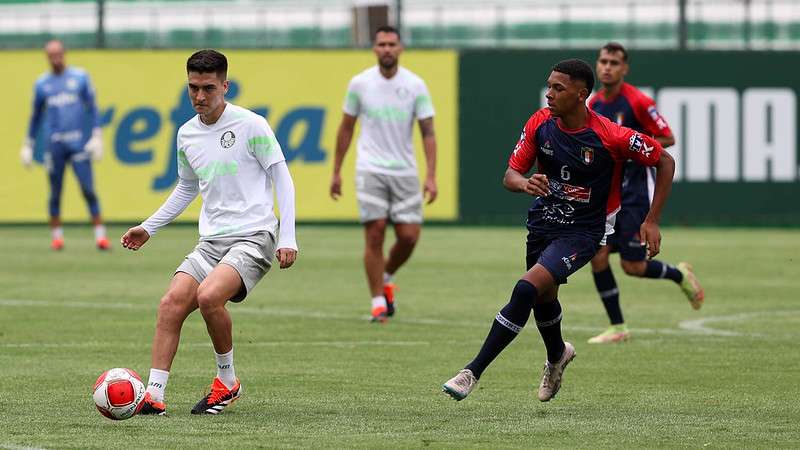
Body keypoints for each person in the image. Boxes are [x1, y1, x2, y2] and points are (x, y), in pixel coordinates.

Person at [442, 59, 675, 402]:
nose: (549, 94)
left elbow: (665, 160)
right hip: (543, 224)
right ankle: (557, 356)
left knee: (526, 289)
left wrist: (652, 219)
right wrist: (524, 183)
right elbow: (510, 175)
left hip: (584, 231)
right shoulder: (539, 123)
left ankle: (471, 372)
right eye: (548, 86)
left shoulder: (611, 135)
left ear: (581, 95)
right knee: (544, 298)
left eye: (557, 88)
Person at [120, 49, 298, 415]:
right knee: (170, 304)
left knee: (208, 296)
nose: (199, 97)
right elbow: (187, 188)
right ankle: (154, 394)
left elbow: (283, 178)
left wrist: (288, 236)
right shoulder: (186, 134)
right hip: (211, 241)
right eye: (193, 88)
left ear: (225, 86)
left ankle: (227, 382)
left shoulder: (252, 125)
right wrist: (148, 227)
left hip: (254, 236)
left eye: (208, 88)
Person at [586, 42, 704, 344]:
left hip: (635, 192)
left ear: (625, 68)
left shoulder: (638, 101)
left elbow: (668, 137)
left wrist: (633, 147)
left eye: (614, 62)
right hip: (608, 192)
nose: (607, 67)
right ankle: (618, 327)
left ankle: (680, 275)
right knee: (597, 255)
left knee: (633, 266)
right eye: (603, 61)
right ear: (597, 66)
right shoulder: (594, 105)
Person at [330, 25, 437, 323]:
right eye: (382, 44)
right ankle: (377, 300)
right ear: (374, 48)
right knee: (375, 231)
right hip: (370, 168)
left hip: (405, 170)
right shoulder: (360, 83)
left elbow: (428, 131)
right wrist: (336, 170)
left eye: (392, 44)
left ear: (400, 48)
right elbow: (346, 127)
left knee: (409, 237)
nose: (387, 49)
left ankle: (386, 275)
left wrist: (431, 175)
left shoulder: (415, 85)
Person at [22, 39, 109, 250]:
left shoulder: (79, 77)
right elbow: (35, 116)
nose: (55, 58)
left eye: (58, 54)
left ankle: (100, 236)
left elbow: (93, 107)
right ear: (47, 57)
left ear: (64, 53)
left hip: (78, 143)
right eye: (51, 55)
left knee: (88, 188)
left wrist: (96, 134)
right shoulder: (42, 83)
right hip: (55, 144)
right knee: (55, 191)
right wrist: (28, 143)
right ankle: (57, 237)